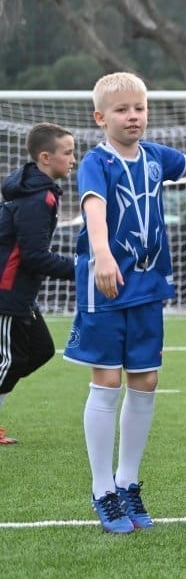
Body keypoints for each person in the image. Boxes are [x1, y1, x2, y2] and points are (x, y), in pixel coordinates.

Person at [65, 72, 186, 534]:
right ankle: (102, 490)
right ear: (101, 118)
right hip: (106, 284)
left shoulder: (155, 156)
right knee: (107, 381)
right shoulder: (97, 161)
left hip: (148, 284)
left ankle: (128, 483)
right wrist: (102, 254)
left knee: (146, 380)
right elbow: (94, 208)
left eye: (139, 108)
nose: (133, 116)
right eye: (122, 110)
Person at [0, 123, 77, 445]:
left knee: (41, 349)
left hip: (21, 292)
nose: (73, 159)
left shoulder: (40, 191)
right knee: (11, 360)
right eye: (67, 153)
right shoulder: (36, 198)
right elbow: (34, 256)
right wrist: (82, 270)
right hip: (7, 292)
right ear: (45, 157)